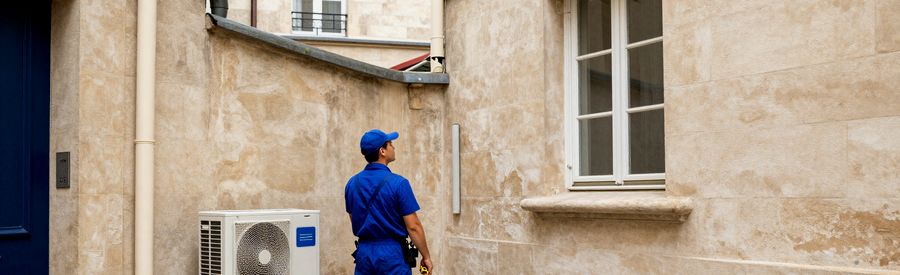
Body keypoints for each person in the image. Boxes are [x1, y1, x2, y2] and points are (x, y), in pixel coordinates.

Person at [345, 129, 433, 275]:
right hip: (392, 255)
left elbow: (354, 218)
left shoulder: (352, 184)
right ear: (382, 151)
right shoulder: (399, 183)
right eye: (390, 144)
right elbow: (413, 227)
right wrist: (426, 256)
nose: (394, 147)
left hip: (364, 253)